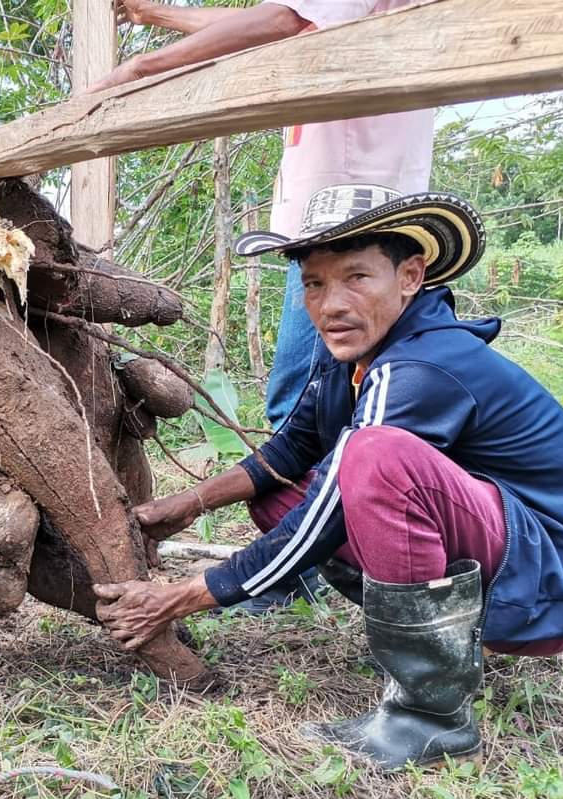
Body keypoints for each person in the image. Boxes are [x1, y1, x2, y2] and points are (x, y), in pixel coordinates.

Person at [94, 185, 563, 771]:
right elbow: (294, 448)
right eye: (315, 283)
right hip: (502, 551)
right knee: (281, 496)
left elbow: (332, 504)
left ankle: (430, 716)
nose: (331, 304)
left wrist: (183, 596)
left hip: (552, 578)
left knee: (373, 456)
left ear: (410, 276)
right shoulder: (354, 355)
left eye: (357, 277)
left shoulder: (422, 365)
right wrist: (188, 503)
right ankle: (429, 643)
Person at [90, 0, 436, 608]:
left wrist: (144, 68)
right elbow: (277, 19)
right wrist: (159, 16)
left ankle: (298, 569)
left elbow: (282, 20)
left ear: (415, 277)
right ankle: (312, 563)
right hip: (332, 240)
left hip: (355, 233)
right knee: (306, 423)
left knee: (336, 424)